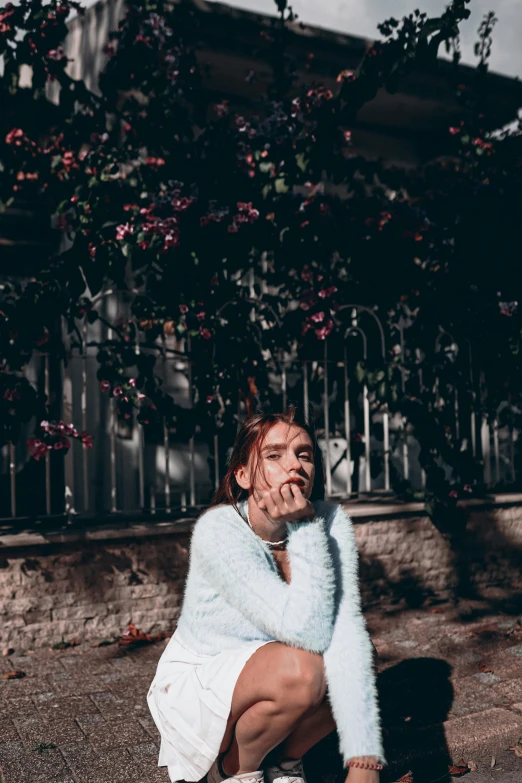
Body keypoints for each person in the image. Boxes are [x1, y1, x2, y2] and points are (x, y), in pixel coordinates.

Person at [147, 407, 386, 783]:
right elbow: (304, 629)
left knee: (359, 656)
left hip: (275, 668)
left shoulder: (330, 520)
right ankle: (232, 769)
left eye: (304, 455)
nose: (295, 466)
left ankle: (285, 762)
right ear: (242, 475)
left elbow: (345, 628)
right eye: (274, 455)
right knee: (304, 670)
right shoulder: (218, 531)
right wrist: (303, 526)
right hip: (203, 680)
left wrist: (364, 761)